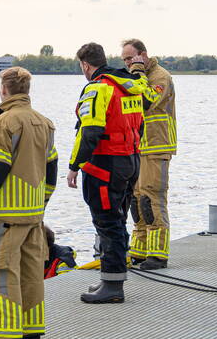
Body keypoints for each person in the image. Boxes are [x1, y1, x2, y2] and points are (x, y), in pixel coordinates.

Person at [0, 67, 58, 339]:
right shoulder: (44, 123)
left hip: (6, 214)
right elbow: (52, 168)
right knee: (32, 274)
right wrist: (42, 200)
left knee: (4, 271)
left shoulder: (4, 123)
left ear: (4, 89)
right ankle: (32, 337)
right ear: (27, 90)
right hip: (34, 214)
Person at [67, 42, 157, 304]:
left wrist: (74, 166)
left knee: (106, 222)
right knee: (117, 220)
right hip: (129, 161)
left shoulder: (98, 89)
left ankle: (114, 286)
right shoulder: (130, 85)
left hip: (105, 165)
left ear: (85, 65)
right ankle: (110, 276)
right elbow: (142, 114)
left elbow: (90, 131)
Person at [121, 39, 177, 270]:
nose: (127, 63)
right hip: (138, 146)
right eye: (124, 60)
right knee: (136, 199)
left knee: (152, 198)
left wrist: (136, 74)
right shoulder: (136, 77)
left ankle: (158, 254)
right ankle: (140, 250)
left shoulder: (159, 77)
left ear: (142, 55)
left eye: (130, 58)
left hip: (156, 145)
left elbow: (146, 101)